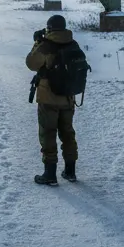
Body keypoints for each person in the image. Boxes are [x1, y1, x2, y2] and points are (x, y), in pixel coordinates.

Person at [25, 14, 82, 185]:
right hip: (68, 97)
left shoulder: (45, 45)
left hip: (48, 97)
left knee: (48, 134)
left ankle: (50, 174)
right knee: (68, 133)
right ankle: (70, 172)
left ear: (49, 28)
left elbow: (31, 63)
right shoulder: (73, 44)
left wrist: (37, 43)